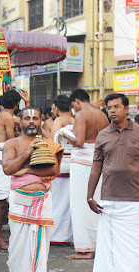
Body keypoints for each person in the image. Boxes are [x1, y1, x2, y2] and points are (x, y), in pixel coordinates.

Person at [88, 93, 139, 272]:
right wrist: (90, 197)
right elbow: (95, 168)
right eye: (109, 108)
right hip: (108, 198)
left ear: (127, 109)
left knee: (135, 243)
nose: (112, 111)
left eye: (116, 107)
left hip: (135, 197)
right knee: (111, 245)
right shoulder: (103, 135)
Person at [2, 107, 63, 272]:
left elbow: (53, 169)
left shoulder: (47, 144)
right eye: (27, 118)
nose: (31, 121)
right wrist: (28, 156)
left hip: (42, 200)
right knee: (18, 249)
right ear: (20, 121)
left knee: (41, 248)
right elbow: (7, 168)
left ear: (40, 121)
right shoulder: (12, 144)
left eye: (35, 118)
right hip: (20, 202)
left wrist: (25, 171)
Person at [63, 89, 109, 259]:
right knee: (96, 200)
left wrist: (65, 134)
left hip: (82, 161)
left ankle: (85, 249)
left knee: (80, 204)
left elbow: (79, 141)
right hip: (98, 159)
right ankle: (99, 245)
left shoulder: (82, 114)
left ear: (76, 101)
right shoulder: (102, 115)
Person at [0, 90, 23, 250]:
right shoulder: (7, 117)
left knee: (0, 201)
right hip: (0, 160)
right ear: (16, 104)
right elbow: (11, 140)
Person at [49, 95, 75, 244]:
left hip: (61, 162)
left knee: (58, 201)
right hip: (75, 162)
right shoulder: (76, 120)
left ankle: (57, 235)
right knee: (70, 201)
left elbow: (53, 143)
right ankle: (69, 234)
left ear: (57, 108)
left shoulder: (58, 121)